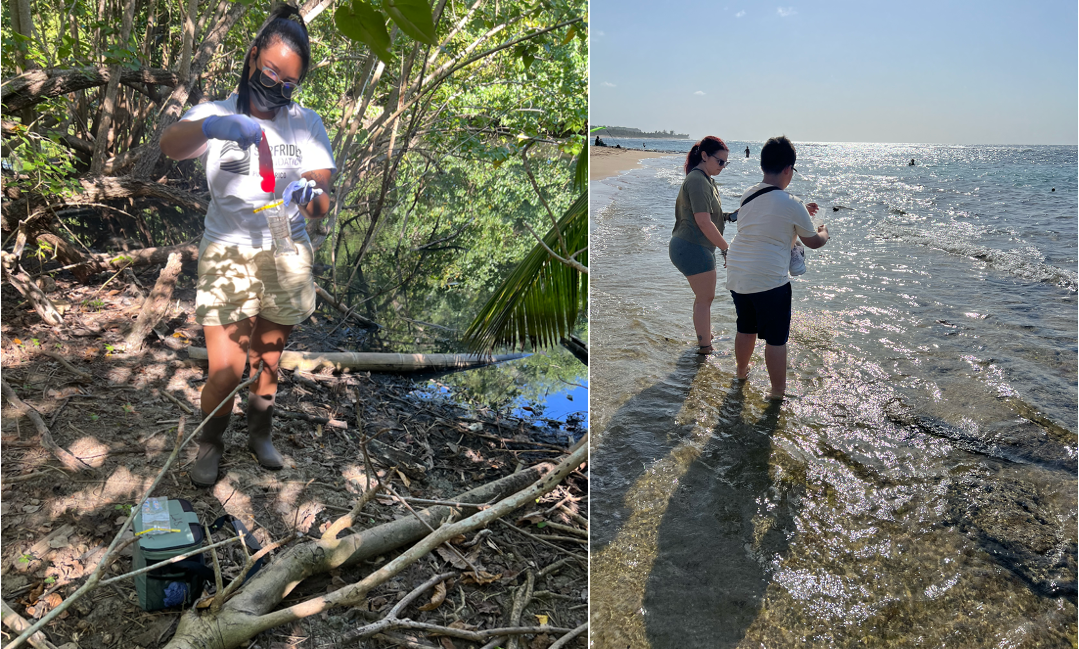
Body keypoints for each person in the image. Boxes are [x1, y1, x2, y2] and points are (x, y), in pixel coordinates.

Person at [159, 4, 336, 487]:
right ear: (255, 55)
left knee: (267, 360)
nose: (276, 86)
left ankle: (260, 433)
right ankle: (211, 440)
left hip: (286, 248)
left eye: (288, 82)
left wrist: (307, 196)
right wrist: (213, 128)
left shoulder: (306, 124)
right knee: (226, 368)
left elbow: (322, 204)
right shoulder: (216, 112)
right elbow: (171, 144)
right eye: (271, 71)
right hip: (228, 249)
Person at [725, 136, 829, 399]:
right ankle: (777, 393)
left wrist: (801, 211)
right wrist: (825, 232)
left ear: (762, 166)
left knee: (746, 326)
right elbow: (813, 242)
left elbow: (767, 220)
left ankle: (740, 371)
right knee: (776, 339)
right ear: (787, 169)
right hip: (769, 278)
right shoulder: (791, 202)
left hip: (738, 272)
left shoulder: (749, 194)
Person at [668, 136, 732, 354]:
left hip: (691, 246)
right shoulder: (697, 180)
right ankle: (705, 348)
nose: (723, 166)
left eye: (726, 163)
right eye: (720, 161)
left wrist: (731, 216)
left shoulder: (706, 180)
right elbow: (703, 222)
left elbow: (709, 215)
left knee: (703, 298)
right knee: (706, 299)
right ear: (704, 156)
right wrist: (726, 249)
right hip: (692, 246)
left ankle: (704, 335)